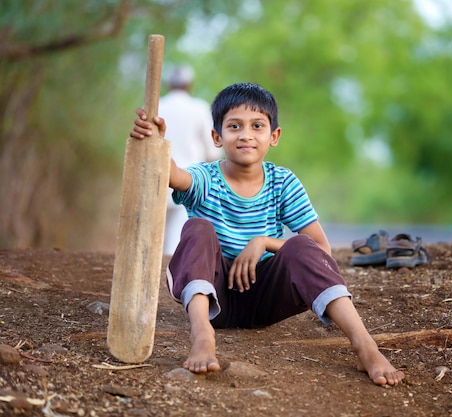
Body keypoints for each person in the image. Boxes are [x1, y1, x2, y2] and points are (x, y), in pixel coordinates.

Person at [130, 82, 404, 386]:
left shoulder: (282, 183)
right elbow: (173, 175)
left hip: (265, 299)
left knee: (301, 245)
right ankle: (202, 335)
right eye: (234, 126)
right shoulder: (205, 178)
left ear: (273, 136)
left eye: (257, 126)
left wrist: (263, 242)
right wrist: (156, 142)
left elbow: (321, 251)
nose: (246, 134)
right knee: (197, 227)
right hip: (213, 300)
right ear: (216, 137)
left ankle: (364, 345)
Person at [159, 65, 222, 254]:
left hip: (158, 176)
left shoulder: (157, 106)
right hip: (188, 180)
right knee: (175, 239)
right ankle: (168, 281)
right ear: (189, 84)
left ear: (169, 83)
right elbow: (213, 151)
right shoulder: (199, 108)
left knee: (156, 236)